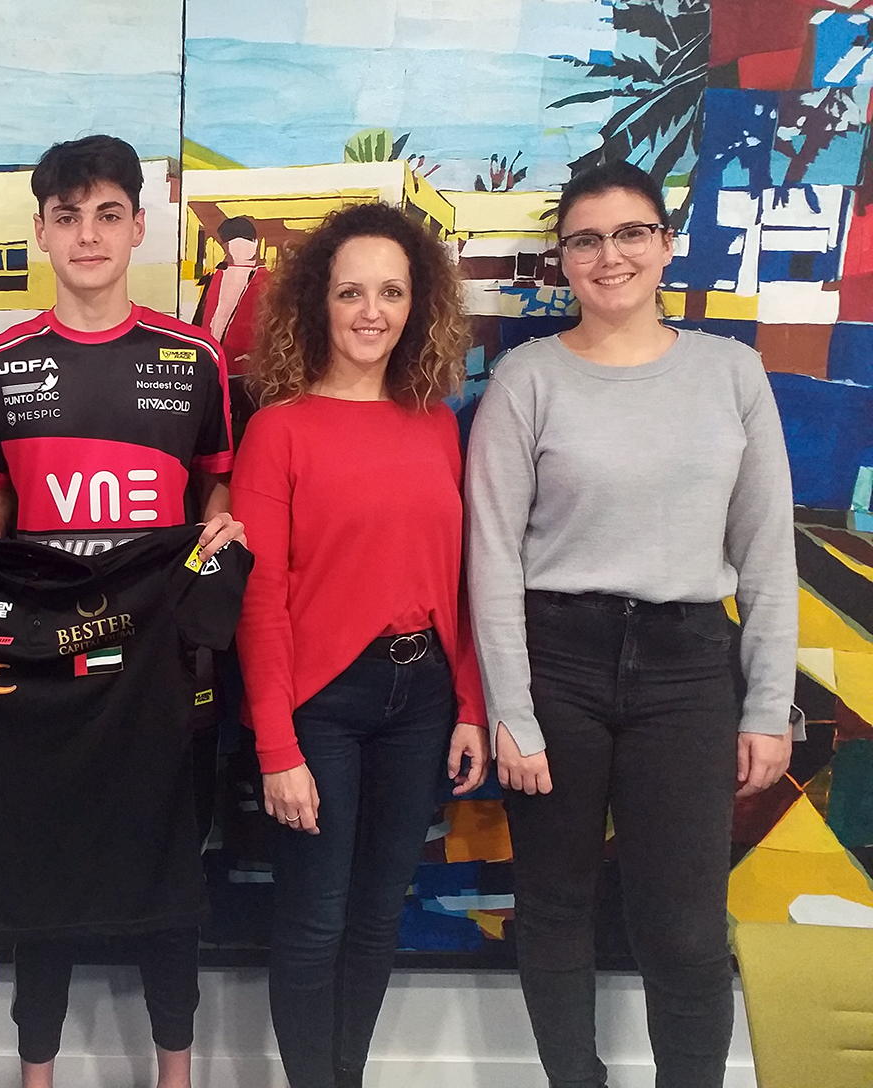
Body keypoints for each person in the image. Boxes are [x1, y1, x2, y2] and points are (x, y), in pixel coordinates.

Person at [0, 134, 242, 1088]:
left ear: (140, 227)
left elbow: (217, 493)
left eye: (107, 215)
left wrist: (222, 531)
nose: (88, 235)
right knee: (43, 874)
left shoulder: (195, 357)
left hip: (161, 671)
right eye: (68, 217)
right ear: (41, 233)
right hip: (46, 673)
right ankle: (37, 1073)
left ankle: (176, 1075)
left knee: (170, 875)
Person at [465, 159, 797, 1088]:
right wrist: (512, 711)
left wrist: (767, 705)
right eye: (586, 240)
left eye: (630, 234)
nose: (609, 256)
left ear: (665, 244)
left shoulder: (732, 373)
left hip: (688, 670)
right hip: (557, 666)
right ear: (562, 260)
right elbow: (491, 557)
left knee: (684, 929)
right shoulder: (527, 380)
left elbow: (767, 552)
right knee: (555, 910)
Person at [231, 202, 490, 1088]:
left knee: (380, 916)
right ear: (318, 302)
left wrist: (469, 704)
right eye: (351, 292)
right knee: (316, 920)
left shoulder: (438, 423)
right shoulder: (278, 430)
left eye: (391, 292)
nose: (371, 311)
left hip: (423, 701)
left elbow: (459, 580)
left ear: (419, 305)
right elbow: (260, 600)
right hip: (321, 709)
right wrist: (277, 747)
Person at [191, 214, 267, 442]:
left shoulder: (267, 281)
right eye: (233, 243)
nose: (239, 247)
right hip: (215, 367)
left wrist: (256, 354)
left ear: (254, 244)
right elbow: (204, 319)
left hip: (248, 372)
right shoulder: (216, 277)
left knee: (246, 429)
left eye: (245, 241)